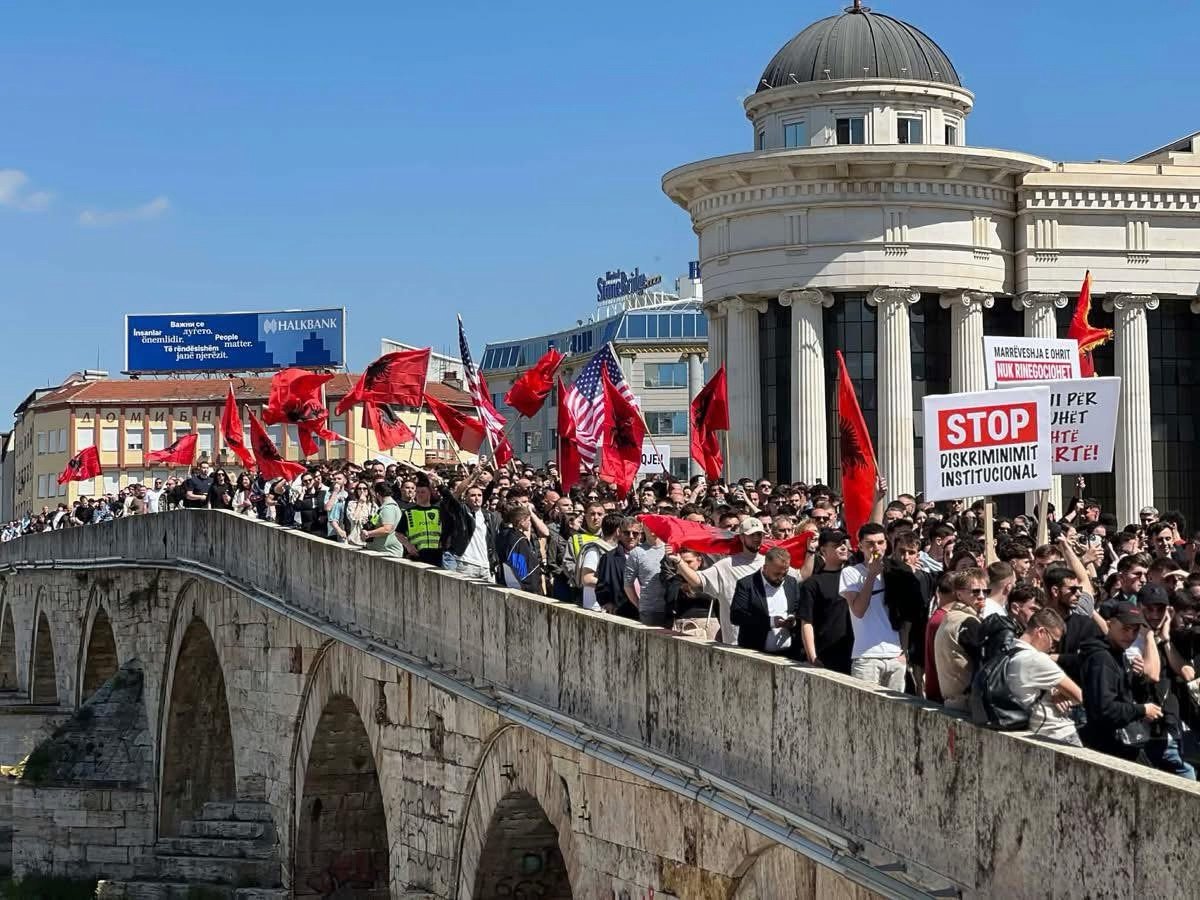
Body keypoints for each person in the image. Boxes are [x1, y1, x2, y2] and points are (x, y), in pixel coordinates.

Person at [1080, 601, 1164, 764]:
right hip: (1107, 748)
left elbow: (1125, 695)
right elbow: (1105, 709)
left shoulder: (1119, 654)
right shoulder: (1102, 658)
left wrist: (1138, 677)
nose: (1131, 636)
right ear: (1110, 624)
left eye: (1135, 630)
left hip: (1120, 745)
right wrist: (1141, 710)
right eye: (1126, 629)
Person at [671, 517, 771, 646]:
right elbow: (698, 581)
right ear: (741, 538)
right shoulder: (725, 566)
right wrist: (679, 561)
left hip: (766, 641)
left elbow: (799, 577)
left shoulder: (770, 563)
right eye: (751, 535)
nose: (756, 538)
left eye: (759, 534)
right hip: (735, 642)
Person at [841, 523, 905, 691]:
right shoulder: (851, 573)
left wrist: (904, 652)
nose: (876, 548)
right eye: (870, 543)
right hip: (867, 657)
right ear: (860, 545)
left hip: (895, 656)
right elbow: (858, 610)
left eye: (880, 542)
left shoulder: (896, 572)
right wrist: (871, 575)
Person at [1006, 608, 1082, 746]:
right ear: (1041, 632)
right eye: (1054, 642)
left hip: (1033, 732)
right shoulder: (1036, 659)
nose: (1053, 649)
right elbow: (1079, 696)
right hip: (1057, 733)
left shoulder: (1010, 650)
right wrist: (1062, 694)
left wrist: (1055, 690)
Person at [798, 529, 853, 673]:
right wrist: (812, 657)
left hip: (856, 655)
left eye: (844, 543)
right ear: (823, 550)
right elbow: (806, 622)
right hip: (826, 657)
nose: (843, 547)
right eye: (836, 545)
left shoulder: (855, 577)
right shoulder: (813, 583)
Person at [934, 567, 987, 711]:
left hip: (953, 702)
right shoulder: (967, 622)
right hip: (966, 704)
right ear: (959, 594)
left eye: (985, 591)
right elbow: (986, 659)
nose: (981, 596)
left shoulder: (950, 617)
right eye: (975, 591)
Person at [730, 547, 800, 655]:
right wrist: (770, 622)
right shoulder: (747, 585)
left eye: (784, 574)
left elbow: (797, 608)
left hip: (788, 654)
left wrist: (792, 619)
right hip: (756, 653)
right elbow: (736, 617)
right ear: (765, 567)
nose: (781, 578)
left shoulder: (791, 583)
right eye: (777, 574)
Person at [624, 524, 668, 627]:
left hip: (672, 609)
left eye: (655, 523)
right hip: (650, 611)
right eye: (649, 524)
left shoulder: (670, 549)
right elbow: (627, 584)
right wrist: (640, 605)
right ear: (643, 527)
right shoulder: (636, 553)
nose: (653, 528)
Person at [395, 474, 444, 566]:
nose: (419, 495)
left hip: (437, 555)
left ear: (429, 493)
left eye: (423, 492)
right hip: (416, 555)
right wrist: (408, 546)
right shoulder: (409, 512)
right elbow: (398, 533)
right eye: (417, 492)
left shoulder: (438, 511)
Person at [577, 513, 620, 613]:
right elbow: (587, 579)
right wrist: (614, 584)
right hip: (595, 609)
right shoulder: (594, 550)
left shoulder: (617, 551)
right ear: (618, 530)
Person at [495, 503, 542, 593]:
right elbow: (521, 568)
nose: (530, 523)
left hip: (505, 582)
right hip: (523, 588)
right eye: (529, 520)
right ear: (521, 521)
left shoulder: (503, 534)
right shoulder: (518, 540)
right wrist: (529, 586)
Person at [362, 480, 404, 558]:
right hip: (381, 552)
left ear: (377, 494)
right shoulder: (384, 508)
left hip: (388, 553)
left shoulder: (388, 508)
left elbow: (387, 529)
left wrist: (368, 533)